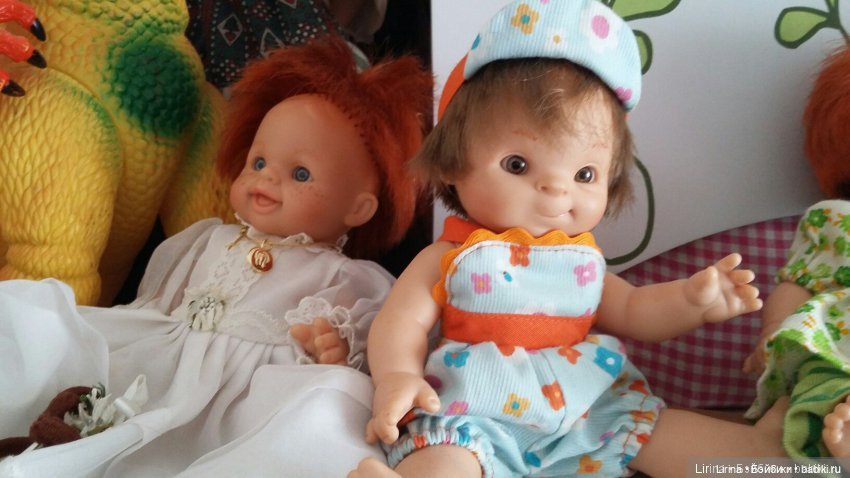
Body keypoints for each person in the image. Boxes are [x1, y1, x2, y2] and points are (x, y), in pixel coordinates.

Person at [348, 2, 786, 477]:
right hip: (478, 411)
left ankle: (759, 453)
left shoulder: (582, 263)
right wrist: (398, 375)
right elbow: (402, 321)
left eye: (584, 174)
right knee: (448, 458)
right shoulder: (451, 257)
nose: (557, 189)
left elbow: (634, 310)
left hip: (587, 409)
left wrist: (689, 302)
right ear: (453, 162)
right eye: (518, 164)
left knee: (663, 433)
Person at [0, 36, 432, 477]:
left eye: (300, 173)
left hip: (248, 402)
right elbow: (157, 306)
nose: (267, 178)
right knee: (39, 326)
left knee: (312, 414)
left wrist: (334, 352)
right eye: (258, 162)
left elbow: (371, 353)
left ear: (358, 208)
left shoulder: (344, 277)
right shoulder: (207, 238)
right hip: (161, 368)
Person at [743, 43, 850, 459]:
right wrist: (773, 330)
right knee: (824, 388)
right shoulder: (835, 219)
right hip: (838, 353)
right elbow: (798, 282)